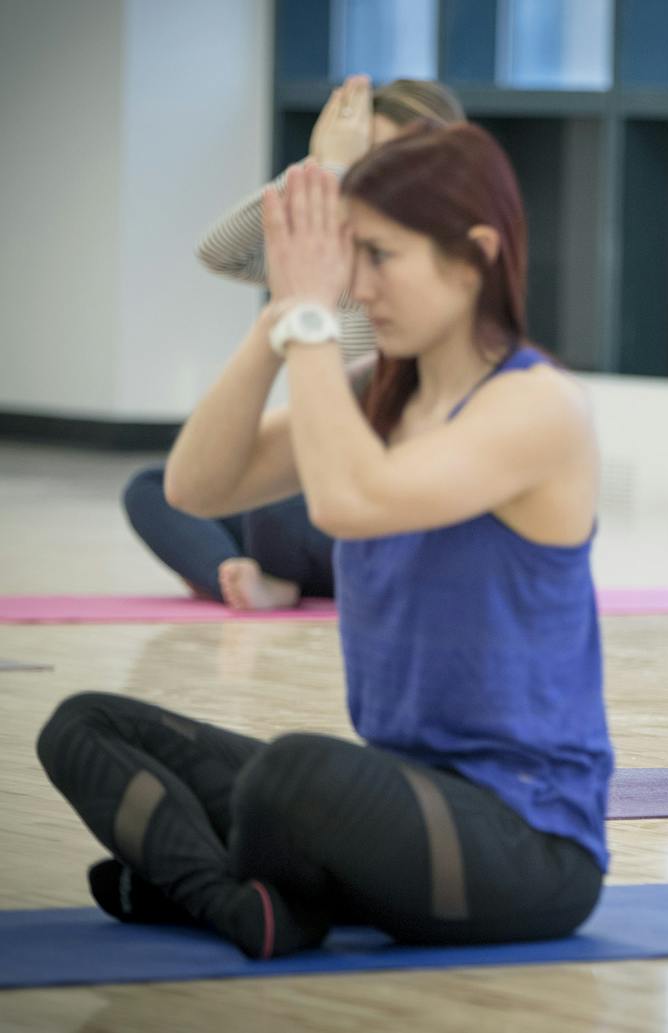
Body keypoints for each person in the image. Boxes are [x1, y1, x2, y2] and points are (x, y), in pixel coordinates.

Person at [37, 122, 611, 959]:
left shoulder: (538, 406)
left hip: (526, 846)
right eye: (350, 260)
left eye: (380, 257)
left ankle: (211, 886)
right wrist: (280, 310)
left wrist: (311, 317)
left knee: (292, 774)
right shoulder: (374, 392)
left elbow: (347, 500)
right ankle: (241, 903)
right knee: (83, 724)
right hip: (394, 803)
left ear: (475, 254)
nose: (358, 288)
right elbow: (193, 486)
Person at [122, 76, 467, 609]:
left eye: (382, 160)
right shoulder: (343, 240)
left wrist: (334, 180)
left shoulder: (434, 264)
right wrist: (317, 169)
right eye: (362, 159)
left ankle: (271, 572)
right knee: (153, 488)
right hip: (315, 503)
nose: (368, 176)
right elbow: (219, 251)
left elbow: (360, 407)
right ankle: (235, 576)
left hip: (371, 512)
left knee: (279, 508)